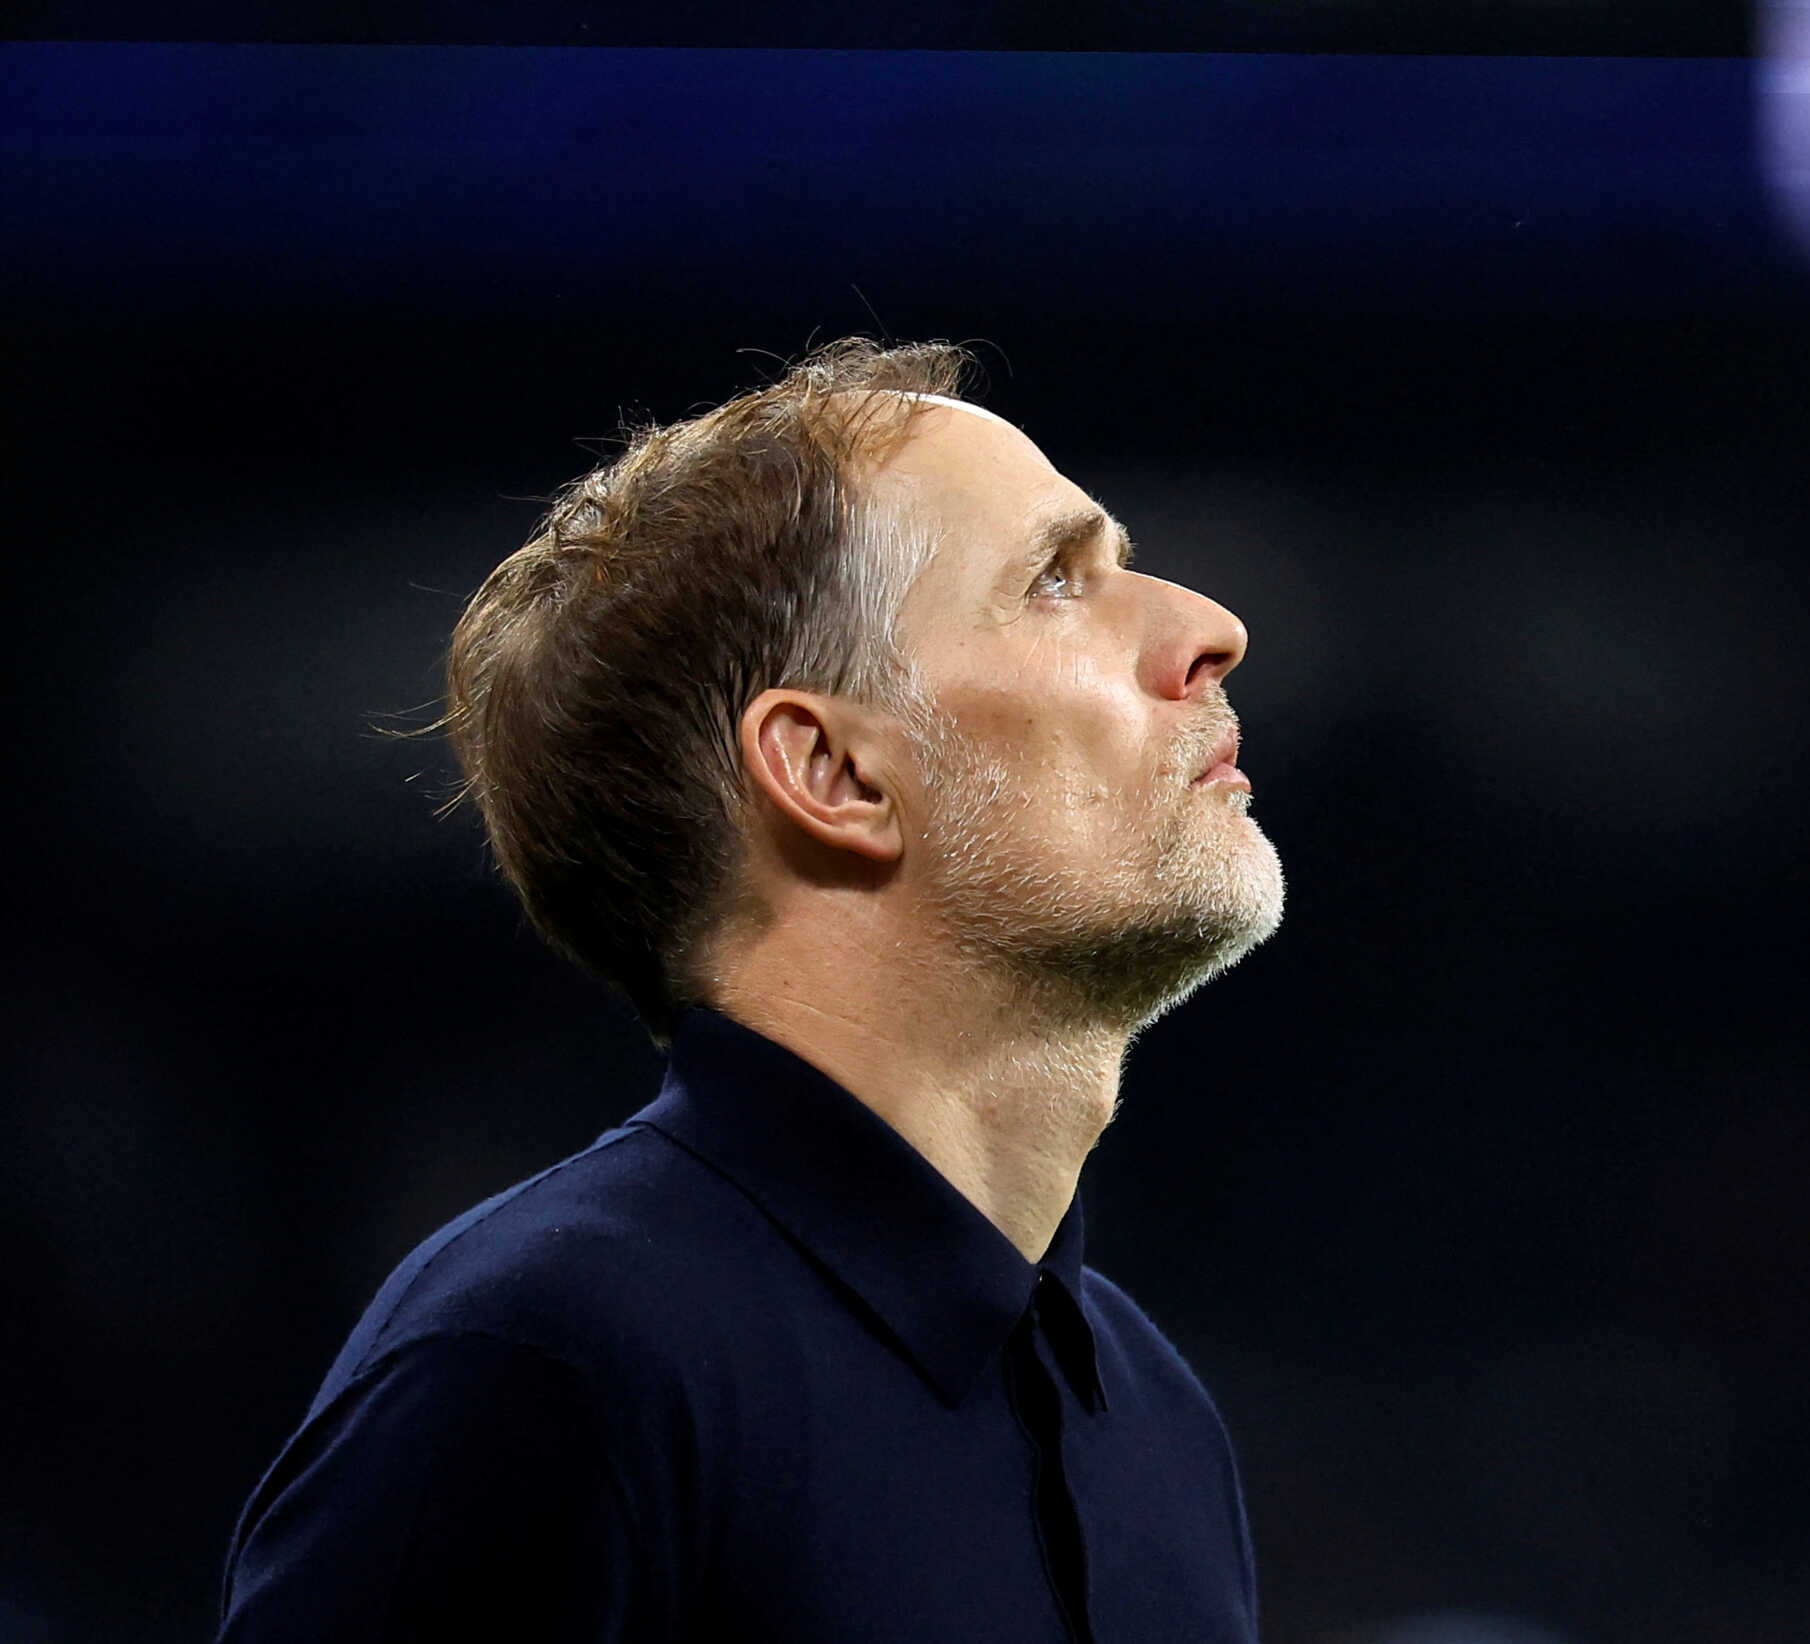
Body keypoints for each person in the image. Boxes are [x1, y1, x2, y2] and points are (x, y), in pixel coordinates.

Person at [214, 339, 1285, 1642]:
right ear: (831, 772)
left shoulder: (1158, 1424)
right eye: (1056, 581)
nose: (1207, 629)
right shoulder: (548, 1368)